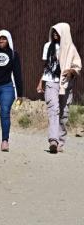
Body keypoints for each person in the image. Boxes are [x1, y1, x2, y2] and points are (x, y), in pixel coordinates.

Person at [36, 23, 81, 153]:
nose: (55, 34)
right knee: (53, 109)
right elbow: (47, 66)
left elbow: (77, 65)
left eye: (57, 32)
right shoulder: (47, 46)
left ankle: (61, 140)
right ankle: (53, 141)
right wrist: (41, 82)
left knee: (63, 112)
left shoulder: (71, 49)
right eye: (53, 32)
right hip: (51, 81)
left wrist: (71, 71)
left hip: (65, 83)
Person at [0, 30, 23, 152]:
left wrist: (20, 93)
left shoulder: (13, 54)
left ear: (8, 40)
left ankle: (5, 141)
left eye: (4, 38)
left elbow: (17, 74)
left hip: (6, 87)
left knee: (5, 113)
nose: (1, 41)